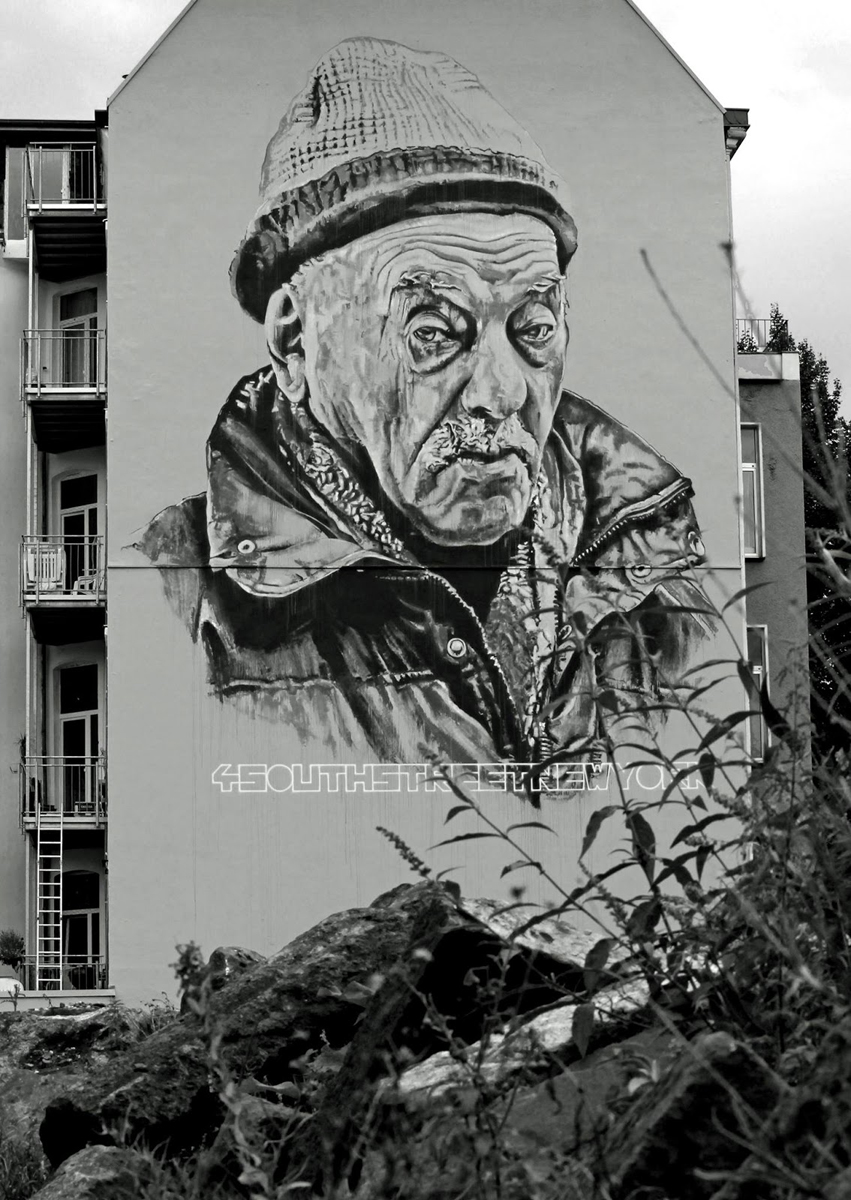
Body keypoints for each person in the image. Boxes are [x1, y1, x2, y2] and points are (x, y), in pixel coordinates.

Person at [137, 37, 712, 796]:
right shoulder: (184, 597)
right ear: (296, 341)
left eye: (535, 328)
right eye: (433, 333)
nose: (501, 393)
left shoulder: (654, 571)